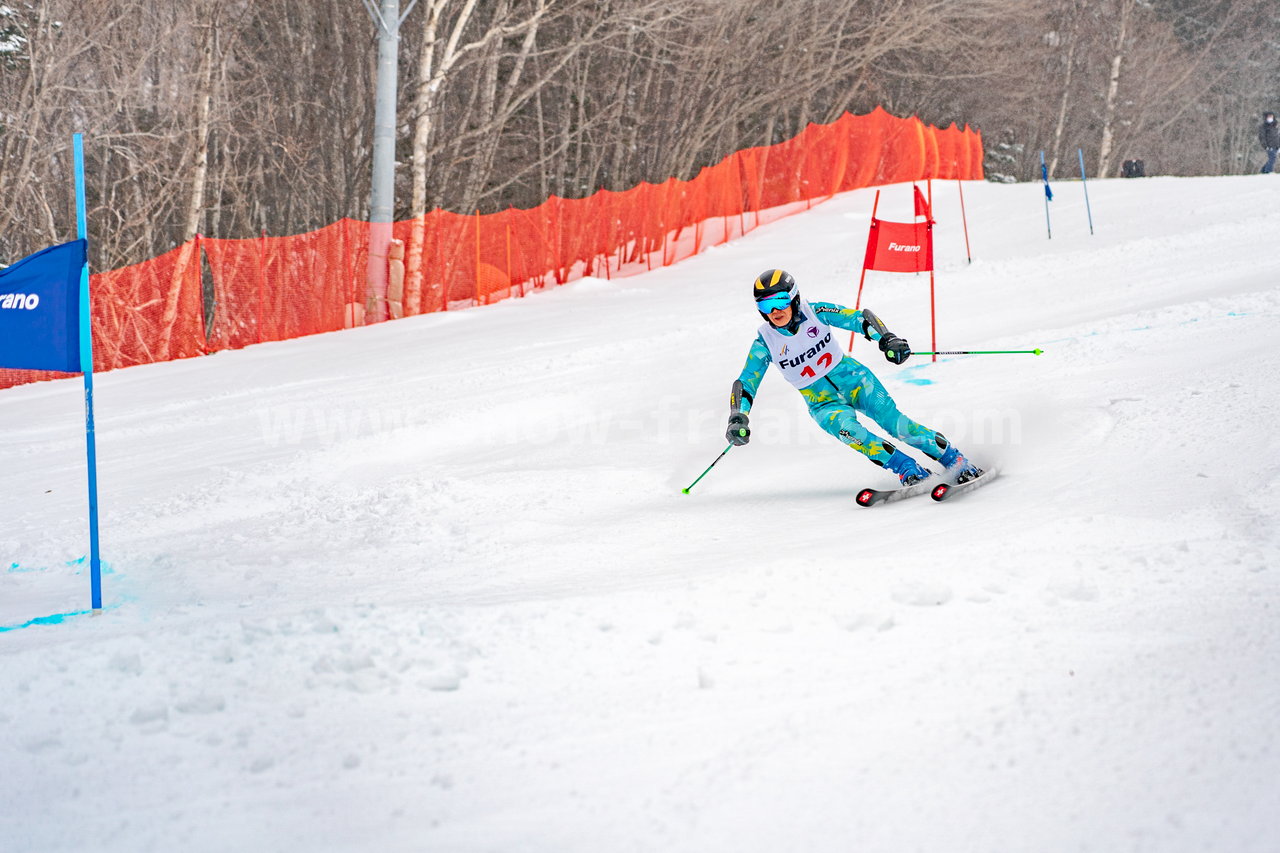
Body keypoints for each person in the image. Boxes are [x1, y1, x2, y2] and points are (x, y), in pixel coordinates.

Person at [726, 268, 981, 487]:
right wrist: (738, 417)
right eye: (765, 305)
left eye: (780, 301)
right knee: (855, 435)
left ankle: (955, 460)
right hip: (822, 403)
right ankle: (908, 470)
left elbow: (859, 318)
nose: (774, 311)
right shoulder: (765, 343)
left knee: (896, 425)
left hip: (856, 381)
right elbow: (746, 382)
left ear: (793, 298)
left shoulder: (816, 312)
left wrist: (887, 338)